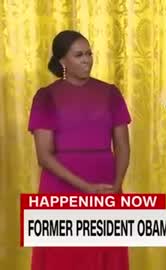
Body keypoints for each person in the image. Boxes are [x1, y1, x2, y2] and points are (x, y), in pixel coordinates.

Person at [28, 30, 131, 270]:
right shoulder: (46, 96)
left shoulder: (110, 93)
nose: (87, 59)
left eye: (89, 53)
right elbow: (44, 155)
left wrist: (116, 185)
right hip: (60, 189)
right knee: (63, 258)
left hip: (106, 185)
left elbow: (123, 146)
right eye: (79, 55)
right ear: (62, 61)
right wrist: (85, 188)